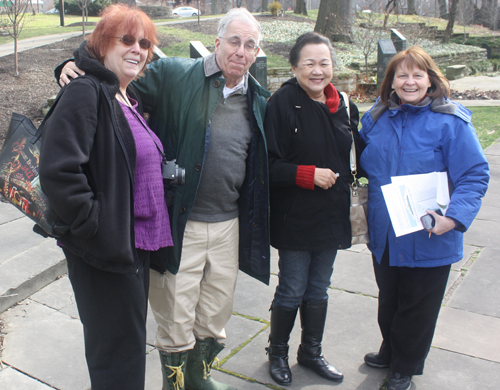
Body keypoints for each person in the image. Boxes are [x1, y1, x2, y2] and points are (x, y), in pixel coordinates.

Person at [58, 7, 270, 390]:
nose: (241, 51)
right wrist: (72, 65)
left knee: (215, 309)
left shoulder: (258, 98)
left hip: (228, 223)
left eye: (250, 44)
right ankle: (175, 382)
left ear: (257, 52)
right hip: (180, 221)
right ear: (218, 42)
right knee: (174, 311)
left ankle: (198, 376)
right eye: (234, 41)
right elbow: (113, 74)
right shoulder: (175, 74)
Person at [39, 5, 173, 390]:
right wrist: (93, 224)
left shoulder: (126, 96)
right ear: (103, 44)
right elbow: (59, 171)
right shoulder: (86, 91)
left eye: (145, 43)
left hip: (133, 245)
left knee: (125, 349)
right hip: (104, 249)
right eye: (126, 40)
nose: (138, 49)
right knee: (117, 358)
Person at [359, 46, 489, 390]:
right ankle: (391, 349)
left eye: (418, 74)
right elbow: (357, 162)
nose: (410, 81)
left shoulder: (450, 122)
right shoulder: (375, 120)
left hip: (430, 233)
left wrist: (454, 218)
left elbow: (474, 175)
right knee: (389, 300)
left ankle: (405, 367)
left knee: (417, 308)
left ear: (430, 81)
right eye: (402, 74)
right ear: (392, 82)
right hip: (387, 233)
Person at [263, 32, 363, 386]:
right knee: (292, 288)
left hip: (333, 217)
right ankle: (277, 353)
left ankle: (311, 351)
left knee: (319, 288)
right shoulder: (282, 103)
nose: (318, 71)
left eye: (325, 63)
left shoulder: (345, 105)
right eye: (309, 63)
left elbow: (359, 157)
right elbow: (266, 165)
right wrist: (307, 174)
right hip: (295, 217)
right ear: (294, 67)